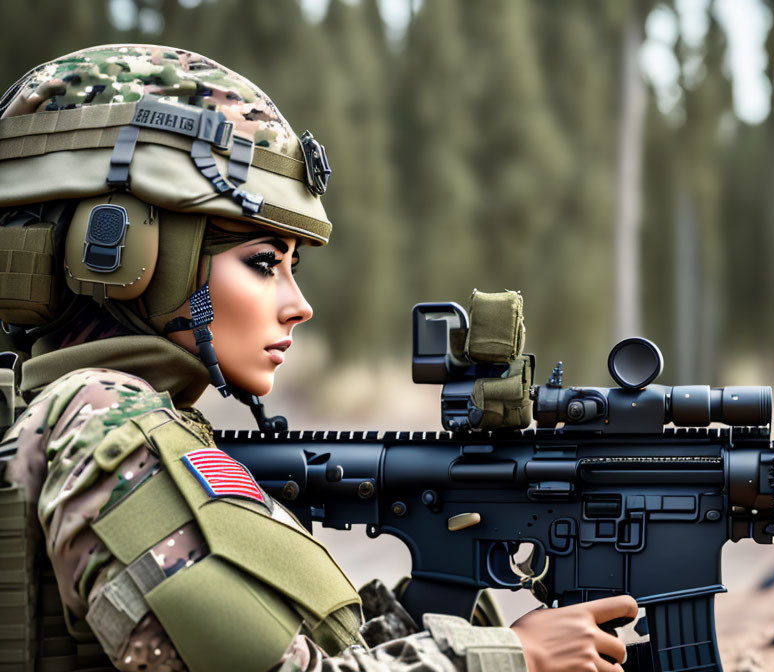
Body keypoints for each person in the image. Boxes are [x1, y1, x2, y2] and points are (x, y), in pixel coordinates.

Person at [0, 45, 638, 672]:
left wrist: (431, 619)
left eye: (291, 268)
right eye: (263, 263)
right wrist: (515, 657)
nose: (298, 306)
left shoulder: (84, 416)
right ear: (129, 255)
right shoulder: (105, 417)